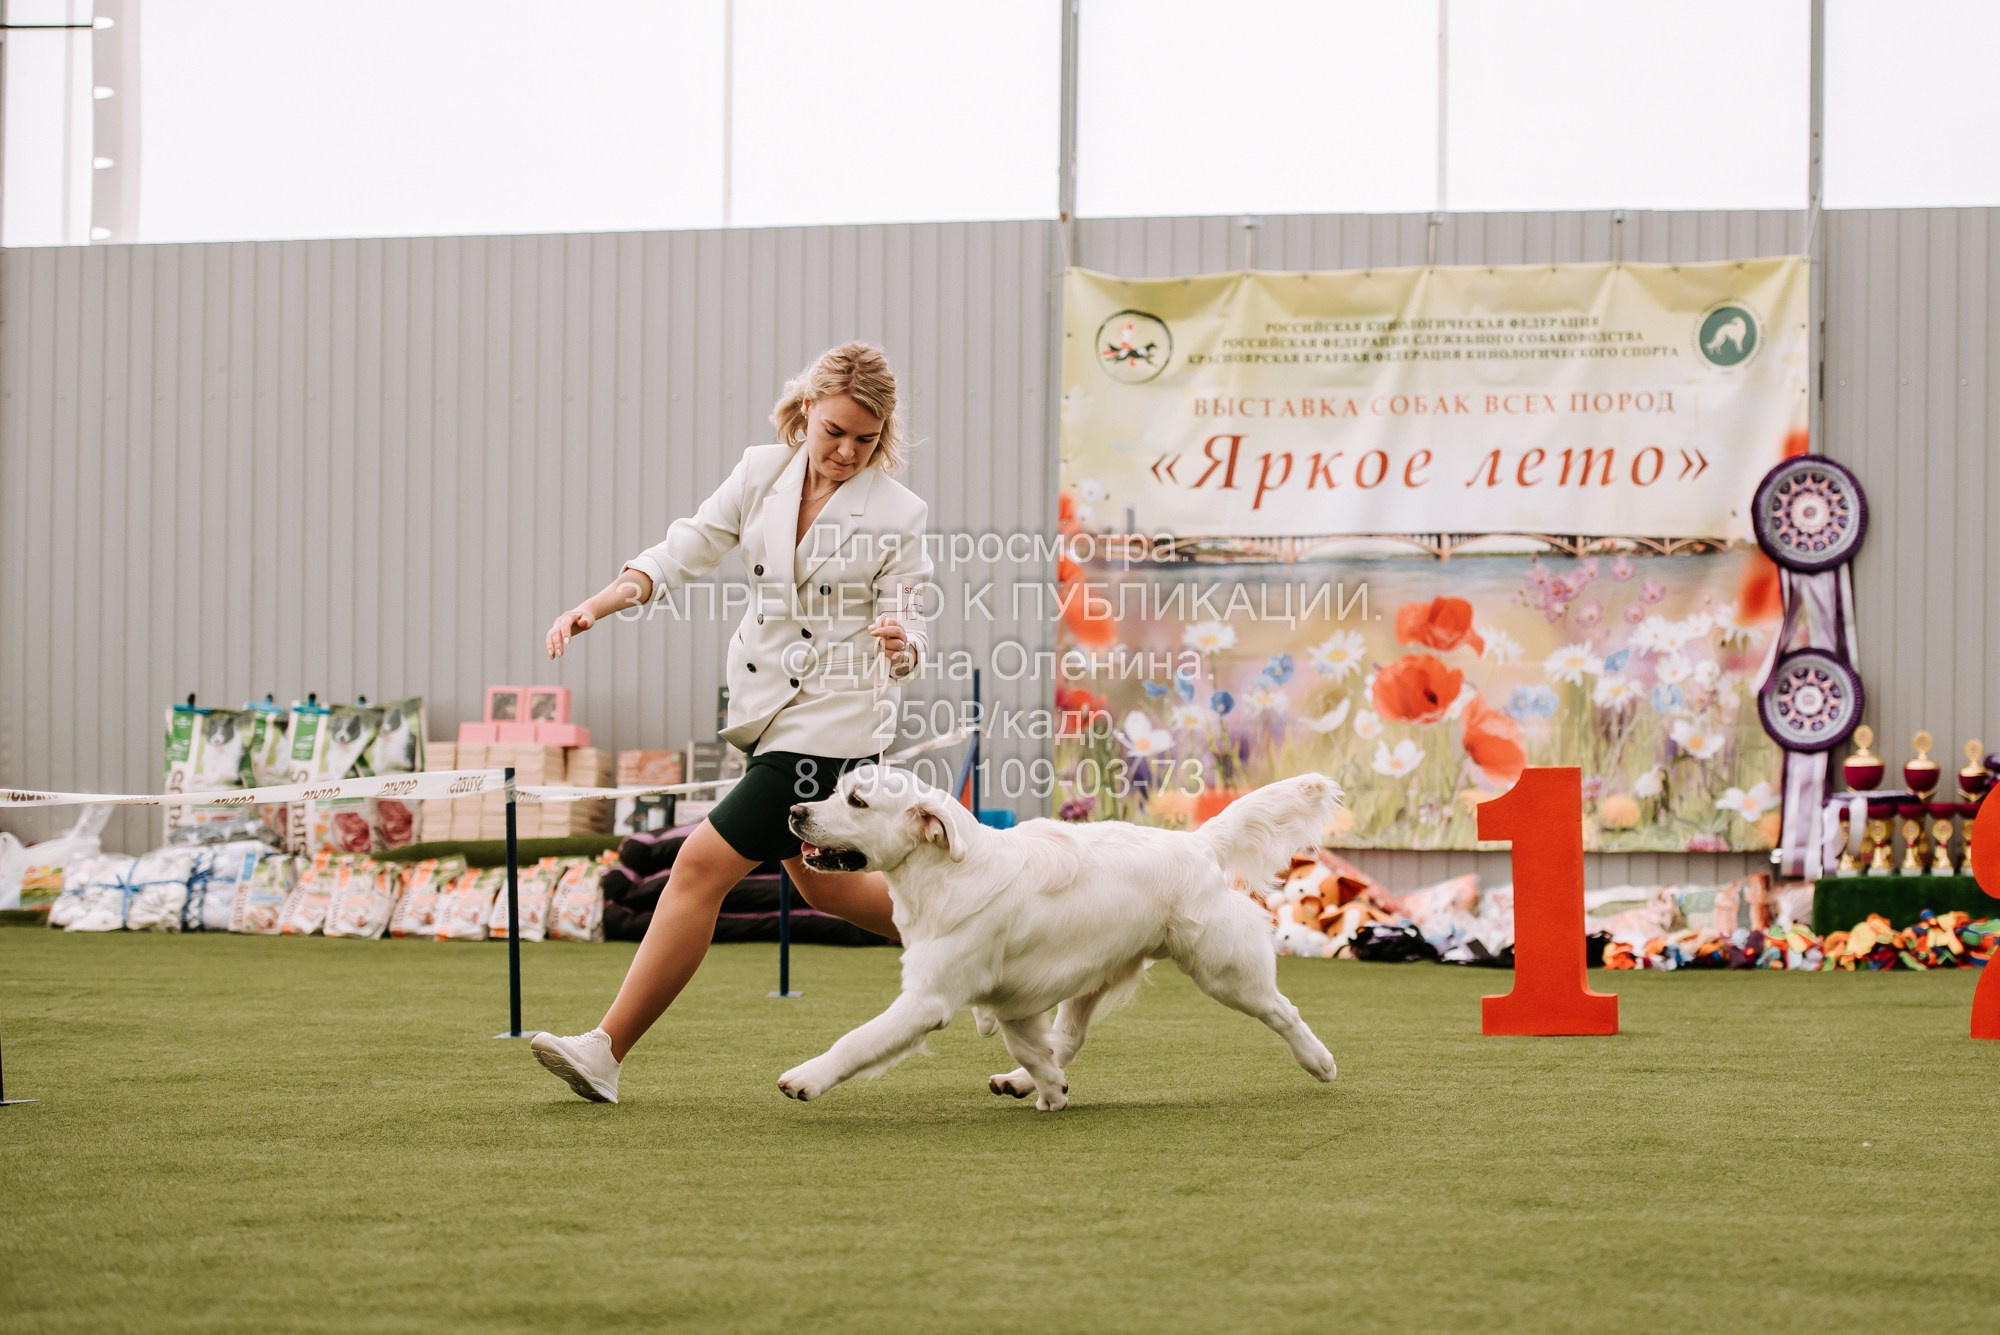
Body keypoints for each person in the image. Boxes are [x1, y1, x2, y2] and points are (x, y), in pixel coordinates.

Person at [529, 342, 933, 1103]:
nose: (848, 451)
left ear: (884, 435)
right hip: (766, 719)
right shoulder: (759, 473)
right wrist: (600, 601)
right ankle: (989, 951)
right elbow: (685, 547)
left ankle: (604, 1051)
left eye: (866, 438)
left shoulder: (898, 514)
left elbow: (909, 615)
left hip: (835, 730)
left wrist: (901, 642)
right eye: (835, 431)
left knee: (698, 869)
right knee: (829, 893)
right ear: (807, 409)